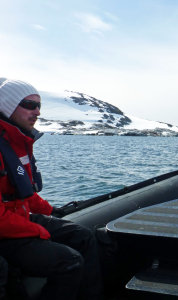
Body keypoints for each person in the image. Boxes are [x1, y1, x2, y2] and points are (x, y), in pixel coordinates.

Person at [0, 78, 103, 299]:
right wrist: (37, 231)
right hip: (4, 232)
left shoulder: (17, 141)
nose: (37, 111)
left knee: (83, 237)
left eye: (39, 106)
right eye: (29, 105)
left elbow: (24, 191)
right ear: (8, 106)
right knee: (70, 262)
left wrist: (51, 211)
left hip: (18, 218)